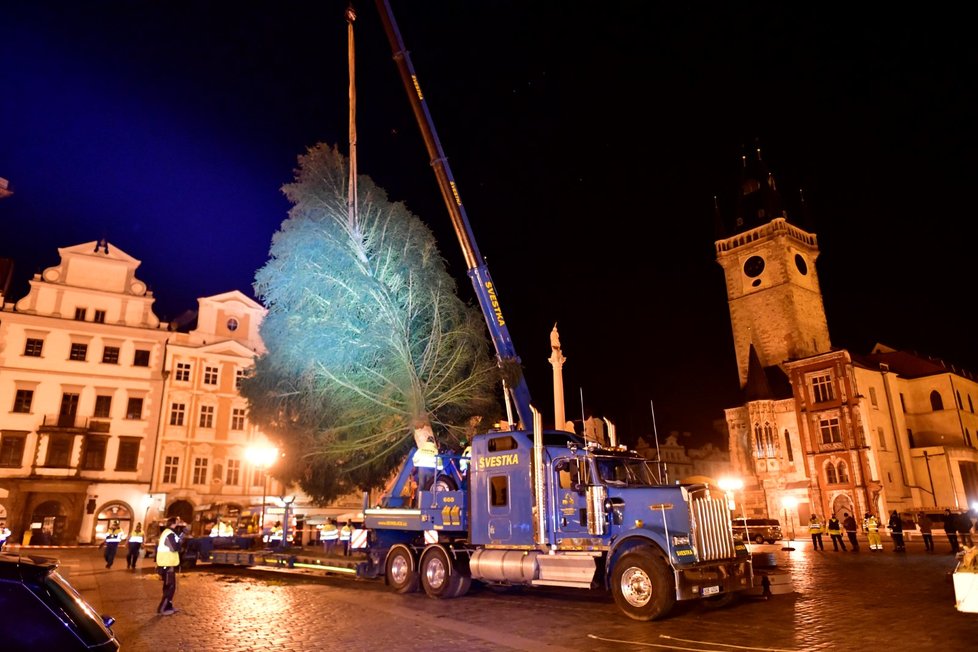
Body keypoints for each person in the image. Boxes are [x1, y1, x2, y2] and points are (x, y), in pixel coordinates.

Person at [155, 517, 185, 616]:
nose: (180, 523)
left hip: (168, 563)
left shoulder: (169, 533)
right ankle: (162, 609)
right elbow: (174, 547)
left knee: (170, 586)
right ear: (174, 523)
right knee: (169, 587)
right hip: (166, 564)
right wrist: (180, 543)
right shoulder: (169, 533)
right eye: (178, 522)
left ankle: (169, 606)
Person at [412, 434, 439, 498]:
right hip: (431, 469)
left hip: (422, 468)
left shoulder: (421, 449)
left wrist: (416, 464)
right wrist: (438, 469)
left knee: (421, 485)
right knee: (429, 485)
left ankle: (419, 501)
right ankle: (428, 500)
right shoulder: (435, 450)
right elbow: (438, 460)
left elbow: (415, 458)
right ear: (433, 442)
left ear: (427, 441)